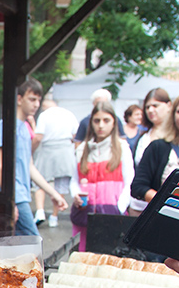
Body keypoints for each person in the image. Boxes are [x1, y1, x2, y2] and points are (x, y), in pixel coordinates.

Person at [0, 77, 68, 236]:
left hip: (20, 196)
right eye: (32, 99)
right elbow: (0, 166)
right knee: (32, 242)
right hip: (14, 196)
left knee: (22, 247)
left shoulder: (25, 129)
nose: (36, 104)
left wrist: (53, 194)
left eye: (38, 100)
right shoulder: (5, 125)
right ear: (19, 99)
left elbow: (30, 166)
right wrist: (10, 201)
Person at [70, 101, 134, 252]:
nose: (101, 125)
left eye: (106, 120)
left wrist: (119, 207)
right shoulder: (82, 149)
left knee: (108, 256)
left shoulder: (122, 147)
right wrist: (75, 195)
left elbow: (129, 181)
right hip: (84, 213)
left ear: (114, 123)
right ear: (91, 122)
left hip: (111, 214)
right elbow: (74, 180)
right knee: (82, 256)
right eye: (96, 120)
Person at [32, 98, 78, 227]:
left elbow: (39, 136)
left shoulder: (44, 115)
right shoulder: (69, 114)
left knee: (40, 181)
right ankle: (54, 216)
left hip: (48, 149)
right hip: (66, 150)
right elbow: (76, 135)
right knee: (61, 184)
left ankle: (40, 211)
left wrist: (30, 151)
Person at [132, 94, 179, 213]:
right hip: (165, 219)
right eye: (178, 112)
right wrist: (166, 202)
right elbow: (138, 187)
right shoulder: (158, 147)